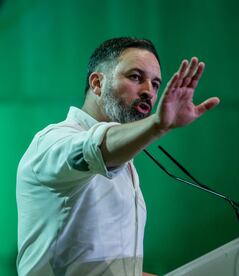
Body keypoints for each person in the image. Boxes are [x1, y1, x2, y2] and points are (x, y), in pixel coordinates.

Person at [16, 37, 220, 276]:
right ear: (97, 83)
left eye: (155, 84)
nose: (149, 92)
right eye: (135, 77)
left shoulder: (126, 162)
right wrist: (157, 125)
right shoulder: (53, 142)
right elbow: (95, 147)